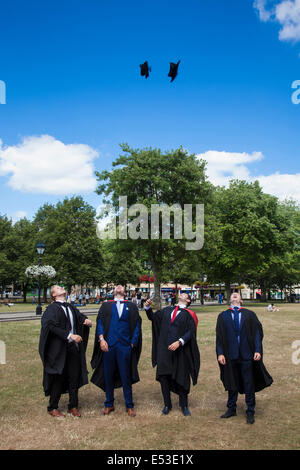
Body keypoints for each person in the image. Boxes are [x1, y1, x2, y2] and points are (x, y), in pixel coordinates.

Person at [216, 292, 273, 424]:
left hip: (247, 355)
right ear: (229, 300)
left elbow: (257, 334)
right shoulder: (223, 316)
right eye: (232, 295)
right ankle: (231, 409)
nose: (235, 295)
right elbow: (219, 337)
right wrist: (220, 353)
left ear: (241, 300)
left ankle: (250, 411)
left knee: (249, 383)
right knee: (232, 382)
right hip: (230, 355)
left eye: (237, 295)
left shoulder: (250, 315)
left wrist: (258, 350)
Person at [39, 285, 92, 418]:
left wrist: (85, 320)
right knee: (58, 377)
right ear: (54, 294)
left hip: (72, 349)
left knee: (74, 377)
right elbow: (50, 326)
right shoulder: (51, 309)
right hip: (58, 350)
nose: (61, 288)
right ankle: (53, 407)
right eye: (58, 288)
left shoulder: (70, 307)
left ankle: (73, 406)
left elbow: (79, 316)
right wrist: (70, 335)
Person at [90, 285, 142, 417]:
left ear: (125, 292)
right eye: (116, 287)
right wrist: (101, 339)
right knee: (108, 375)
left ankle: (129, 405)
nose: (119, 288)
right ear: (113, 291)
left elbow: (136, 325)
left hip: (125, 346)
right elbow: (100, 323)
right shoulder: (106, 305)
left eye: (121, 287)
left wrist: (132, 343)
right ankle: (109, 404)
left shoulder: (131, 306)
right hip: (109, 345)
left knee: (126, 375)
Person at [145, 293, 200, 416]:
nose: (182, 295)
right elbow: (153, 319)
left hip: (181, 351)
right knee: (164, 377)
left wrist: (180, 342)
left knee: (181, 377)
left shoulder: (190, 315)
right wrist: (148, 308)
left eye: (185, 294)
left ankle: (184, 405)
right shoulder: (167, 310)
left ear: (188, 300)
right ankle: (167, 404)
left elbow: (191, 331)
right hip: (164, 350)